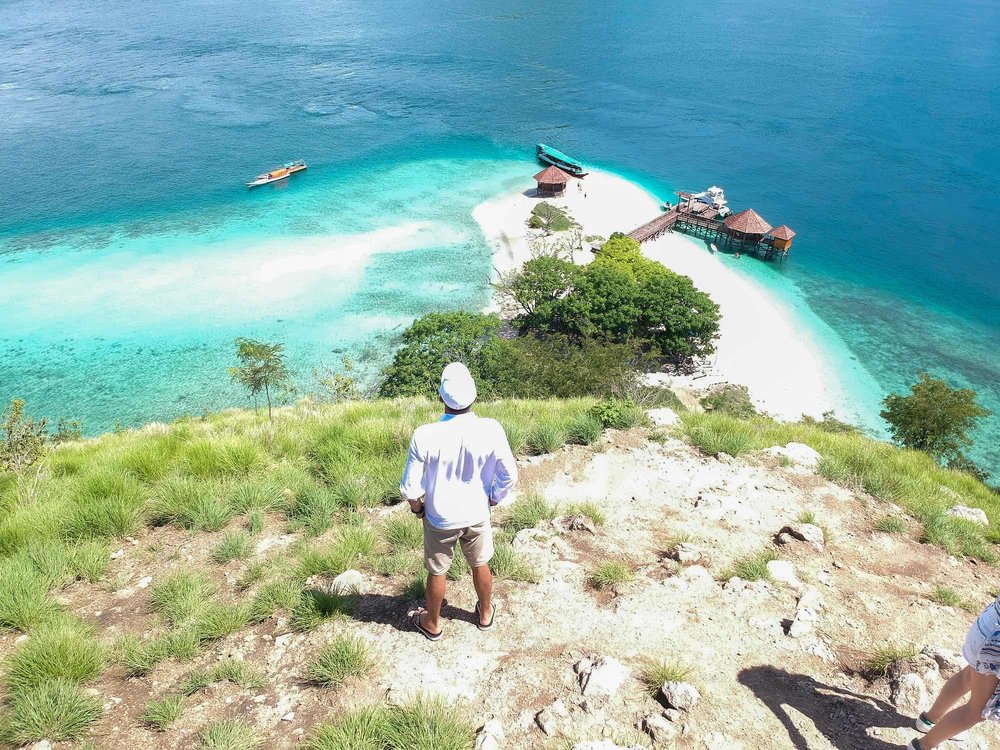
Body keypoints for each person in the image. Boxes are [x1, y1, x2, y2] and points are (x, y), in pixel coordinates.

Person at [400, 362, 518, 641]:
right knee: (480, 563)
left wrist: (419, 510)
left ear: (441, 397)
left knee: (437, 570)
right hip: (477, 512)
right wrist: (494, 498)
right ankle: (485, 613)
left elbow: (410, 488)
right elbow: (509, 475)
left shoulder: (424, 434)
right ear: (474, 396)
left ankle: (432, 623)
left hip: (440, 516)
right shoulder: (491, 429)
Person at [908, 594, 1000, 748]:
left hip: (989, 624)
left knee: (968, 676)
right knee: (977, 711)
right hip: (994, 647)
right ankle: (923, 746)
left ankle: (930, 719)